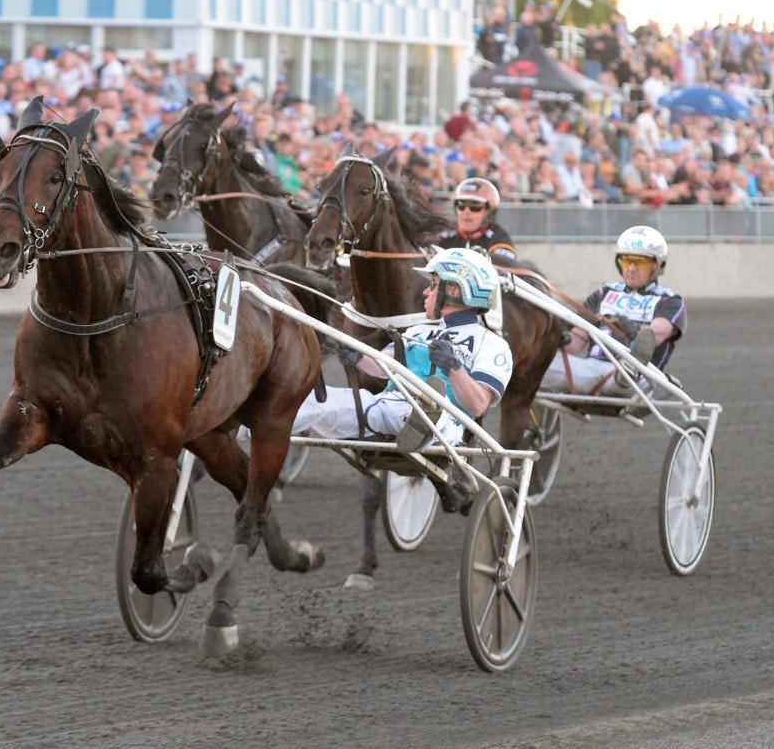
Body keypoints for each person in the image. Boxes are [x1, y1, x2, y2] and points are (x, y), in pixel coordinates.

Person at [291, 248, 513, 509]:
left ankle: (422, 416)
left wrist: (454, 367)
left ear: (454, 291)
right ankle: (241, 425)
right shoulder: (418, 331)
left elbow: (478, 406)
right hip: (389, 408)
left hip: (448, 424)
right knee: (314, 402)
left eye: (433, 285)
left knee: (419, 409)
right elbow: (381, 366)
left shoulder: (492, 345)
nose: (425, 293)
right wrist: (356, 355)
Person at [542, 226, 687, 396]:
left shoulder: (669, 300)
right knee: (538, 363)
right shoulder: (603, 294)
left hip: (640, 378)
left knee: (633, 364)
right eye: (626, 261)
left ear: (657, 265)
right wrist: (558, 335)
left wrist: (633, 329)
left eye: (639, 262)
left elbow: (658, 333)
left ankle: (627, 371)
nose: (631, 268)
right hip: (591, 370)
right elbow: (576, 342)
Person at [436, 177, 517, 263]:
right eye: (461, 205)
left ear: (489, 212)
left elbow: (507, 265)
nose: (466, 211)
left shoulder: (499, 238)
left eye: (475, 206)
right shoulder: (442, 233)